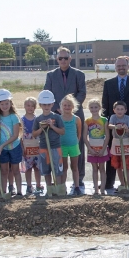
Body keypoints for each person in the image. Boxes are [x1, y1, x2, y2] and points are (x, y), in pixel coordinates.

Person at [43, 47, 88, 193]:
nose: (63, 60)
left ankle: (78, 179)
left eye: (65, 58)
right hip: (57, 114)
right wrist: (58, 109)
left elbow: (82, 92)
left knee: (77, 146)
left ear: (70, 59)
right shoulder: (50, 75)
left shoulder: (79, 74)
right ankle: (60, 180)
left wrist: (71, 107)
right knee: (58, 147)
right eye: (60, 58)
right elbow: (47, 93)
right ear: (57, 59)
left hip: (74, 114)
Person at [101, 55, 129, 191]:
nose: (121, 68)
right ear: (115, 67)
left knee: (128, 155)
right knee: (112, 154)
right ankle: (109, 183)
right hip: (114, 128)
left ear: (128, 66)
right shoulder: (108, 84)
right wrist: (107, 125)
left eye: (123, 65)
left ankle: (128, 183)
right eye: (119, 66)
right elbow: (105, 106)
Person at [31, 89, 64, 195]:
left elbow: (62, 131)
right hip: (44, 147)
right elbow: (34, 134)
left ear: (52, 104)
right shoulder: (38, 119)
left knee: (57, 169)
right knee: (46, 170)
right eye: (44, 104)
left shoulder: (56, 117)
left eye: (49, 104)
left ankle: (58, 189)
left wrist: (52, 126)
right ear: (40, 105)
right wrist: (42, 128)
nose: (46, 106)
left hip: (56, 147)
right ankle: (49, 189)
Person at [0, 89, 23, 197]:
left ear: (10, 103)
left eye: (7, 103)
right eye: (2, 104)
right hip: (3, 148)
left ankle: (19, 191)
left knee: (15, 170)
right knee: (4, 171)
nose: (5, 106)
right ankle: (3, 191)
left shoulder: (14, 117)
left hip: (14, 147)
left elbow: (15, 135)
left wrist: (2, 145)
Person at [58, 94, 83, 195]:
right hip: (62, 146)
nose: (67, 107)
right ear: (61, 106)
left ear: (73, 107)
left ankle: (76, 186)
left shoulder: (76, 119)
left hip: (73, 146)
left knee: (75, 167)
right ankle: (62, 186)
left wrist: (76, 141)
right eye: (65, 105)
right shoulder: (59, 118)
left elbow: (79, 131)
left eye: (69, 105)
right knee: (64, 167)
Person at [84, 98, 109, 195]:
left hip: (102, 146)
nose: (94, 109)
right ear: (89, 108)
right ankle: (96, 190)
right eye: (91, 107)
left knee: (102, 168)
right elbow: (85, 137)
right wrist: (89, 149)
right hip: (92, 147)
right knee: (94, 169)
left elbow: (107, 136)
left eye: (96, 107)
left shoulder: (104, 120)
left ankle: (102, 189)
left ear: (99, 107)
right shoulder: (87, 121)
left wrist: (103, 149)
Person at [20, 97, 43, 196]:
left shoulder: (38, 119)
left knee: (37, 167)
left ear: (35, 107)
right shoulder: (21, 120)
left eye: (32, 106)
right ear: (24, 106)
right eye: (28, 105)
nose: (30, 108)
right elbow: (20, 136)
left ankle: (38, 184)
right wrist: (22, 148)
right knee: (28, 168)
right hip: (26, 148)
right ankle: (29, 186)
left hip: (37, 147)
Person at [108, 100, 129, 190]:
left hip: (126, 141)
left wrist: (126, 128)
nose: (120, 111)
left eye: (122, 109)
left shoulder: (127, 118)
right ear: (114, 110)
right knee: (118, 165)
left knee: (127, 165)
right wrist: (115, 126)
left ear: (125, 110)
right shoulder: (113, 117)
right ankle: (122, 184)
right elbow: (109, 125)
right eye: (118, 109)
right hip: (116, 142)